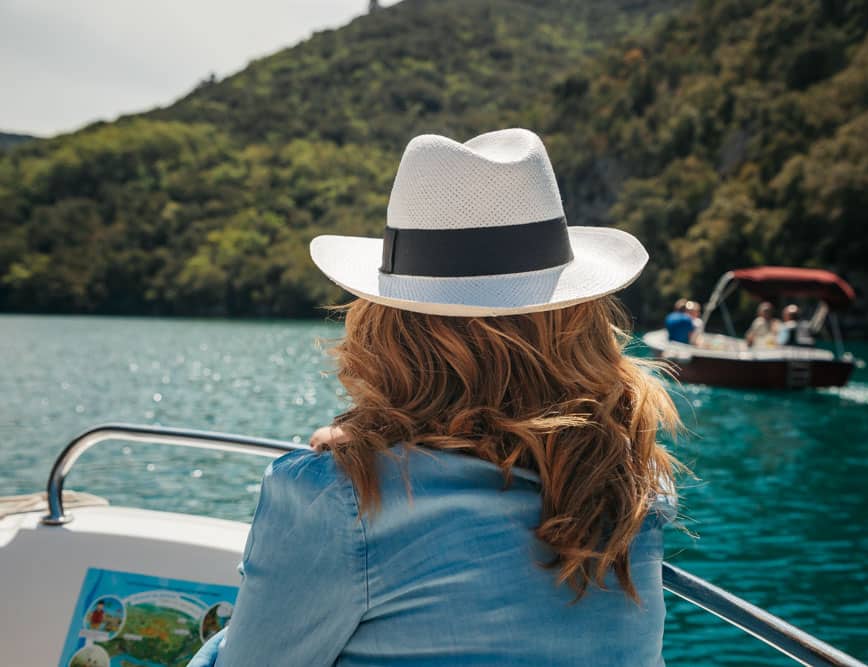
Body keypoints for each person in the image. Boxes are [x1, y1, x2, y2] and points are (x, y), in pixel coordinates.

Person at [188, 129, 680, 666]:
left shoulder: (338, 503)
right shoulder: (633, 482)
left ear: (387, 327)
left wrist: (356, 467)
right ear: (579, 323)